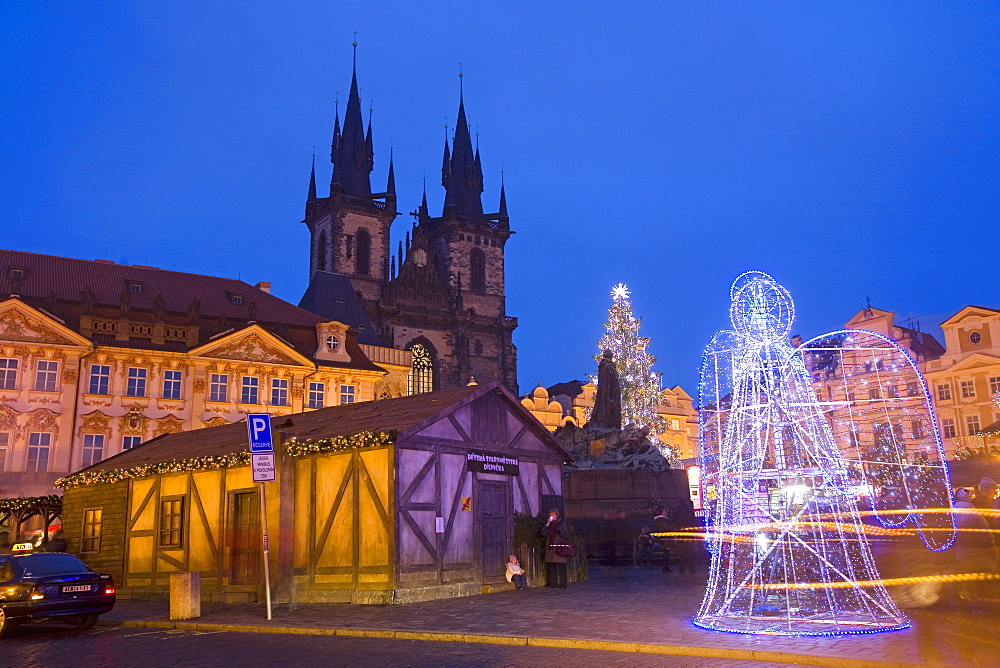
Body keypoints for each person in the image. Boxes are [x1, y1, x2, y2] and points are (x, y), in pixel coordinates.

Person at [542, 509, 570, 588]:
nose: (552, 517)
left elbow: (566, 534)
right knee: (552, 566)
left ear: (557, 515)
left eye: (553, 515)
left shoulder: (562, 523)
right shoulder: (549, 524)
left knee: (561, 566)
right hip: (550, 547)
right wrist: (547, 524)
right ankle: (553, 583)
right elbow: (543, 533)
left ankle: (563, 584)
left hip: (559, 547)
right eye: (550, 515)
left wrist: (560, 532)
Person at [671, 498, 698, 574]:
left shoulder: (676, 512)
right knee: (690, 552)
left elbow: (672, 521)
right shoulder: (689, 512)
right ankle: (691, 569)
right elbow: (694, 523)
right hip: (689, 534)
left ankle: (681, 569)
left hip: (680, 534)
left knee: (682, 552)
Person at [653, 507, 672, 573]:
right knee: (666, 554)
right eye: (664, 511)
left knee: (666, 554)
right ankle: (666, 568)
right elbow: (665, 528)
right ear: (661, 513)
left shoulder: (660, 520)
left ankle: (666, 567)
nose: (666, 512)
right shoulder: (663, 520)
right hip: (665, 539)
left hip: (664, 539)